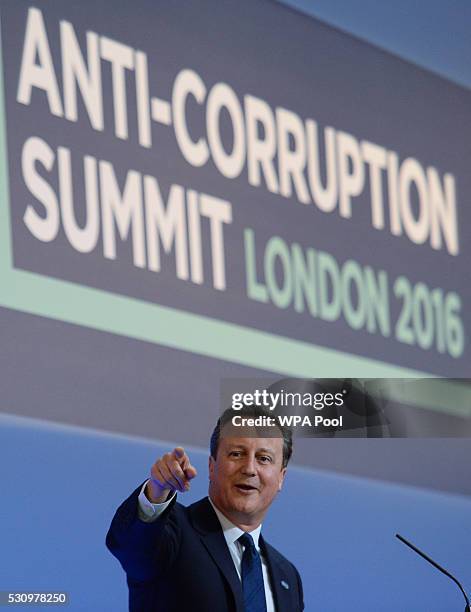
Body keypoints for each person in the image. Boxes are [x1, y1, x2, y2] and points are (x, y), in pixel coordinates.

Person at [106, 405, 304, 611]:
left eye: (264, 459)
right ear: (212, 466)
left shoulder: (287, 577)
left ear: (281, 477)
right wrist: (156, 492)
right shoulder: (174, 531)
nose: (249, 469)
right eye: (237, 454)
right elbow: (133, 549)